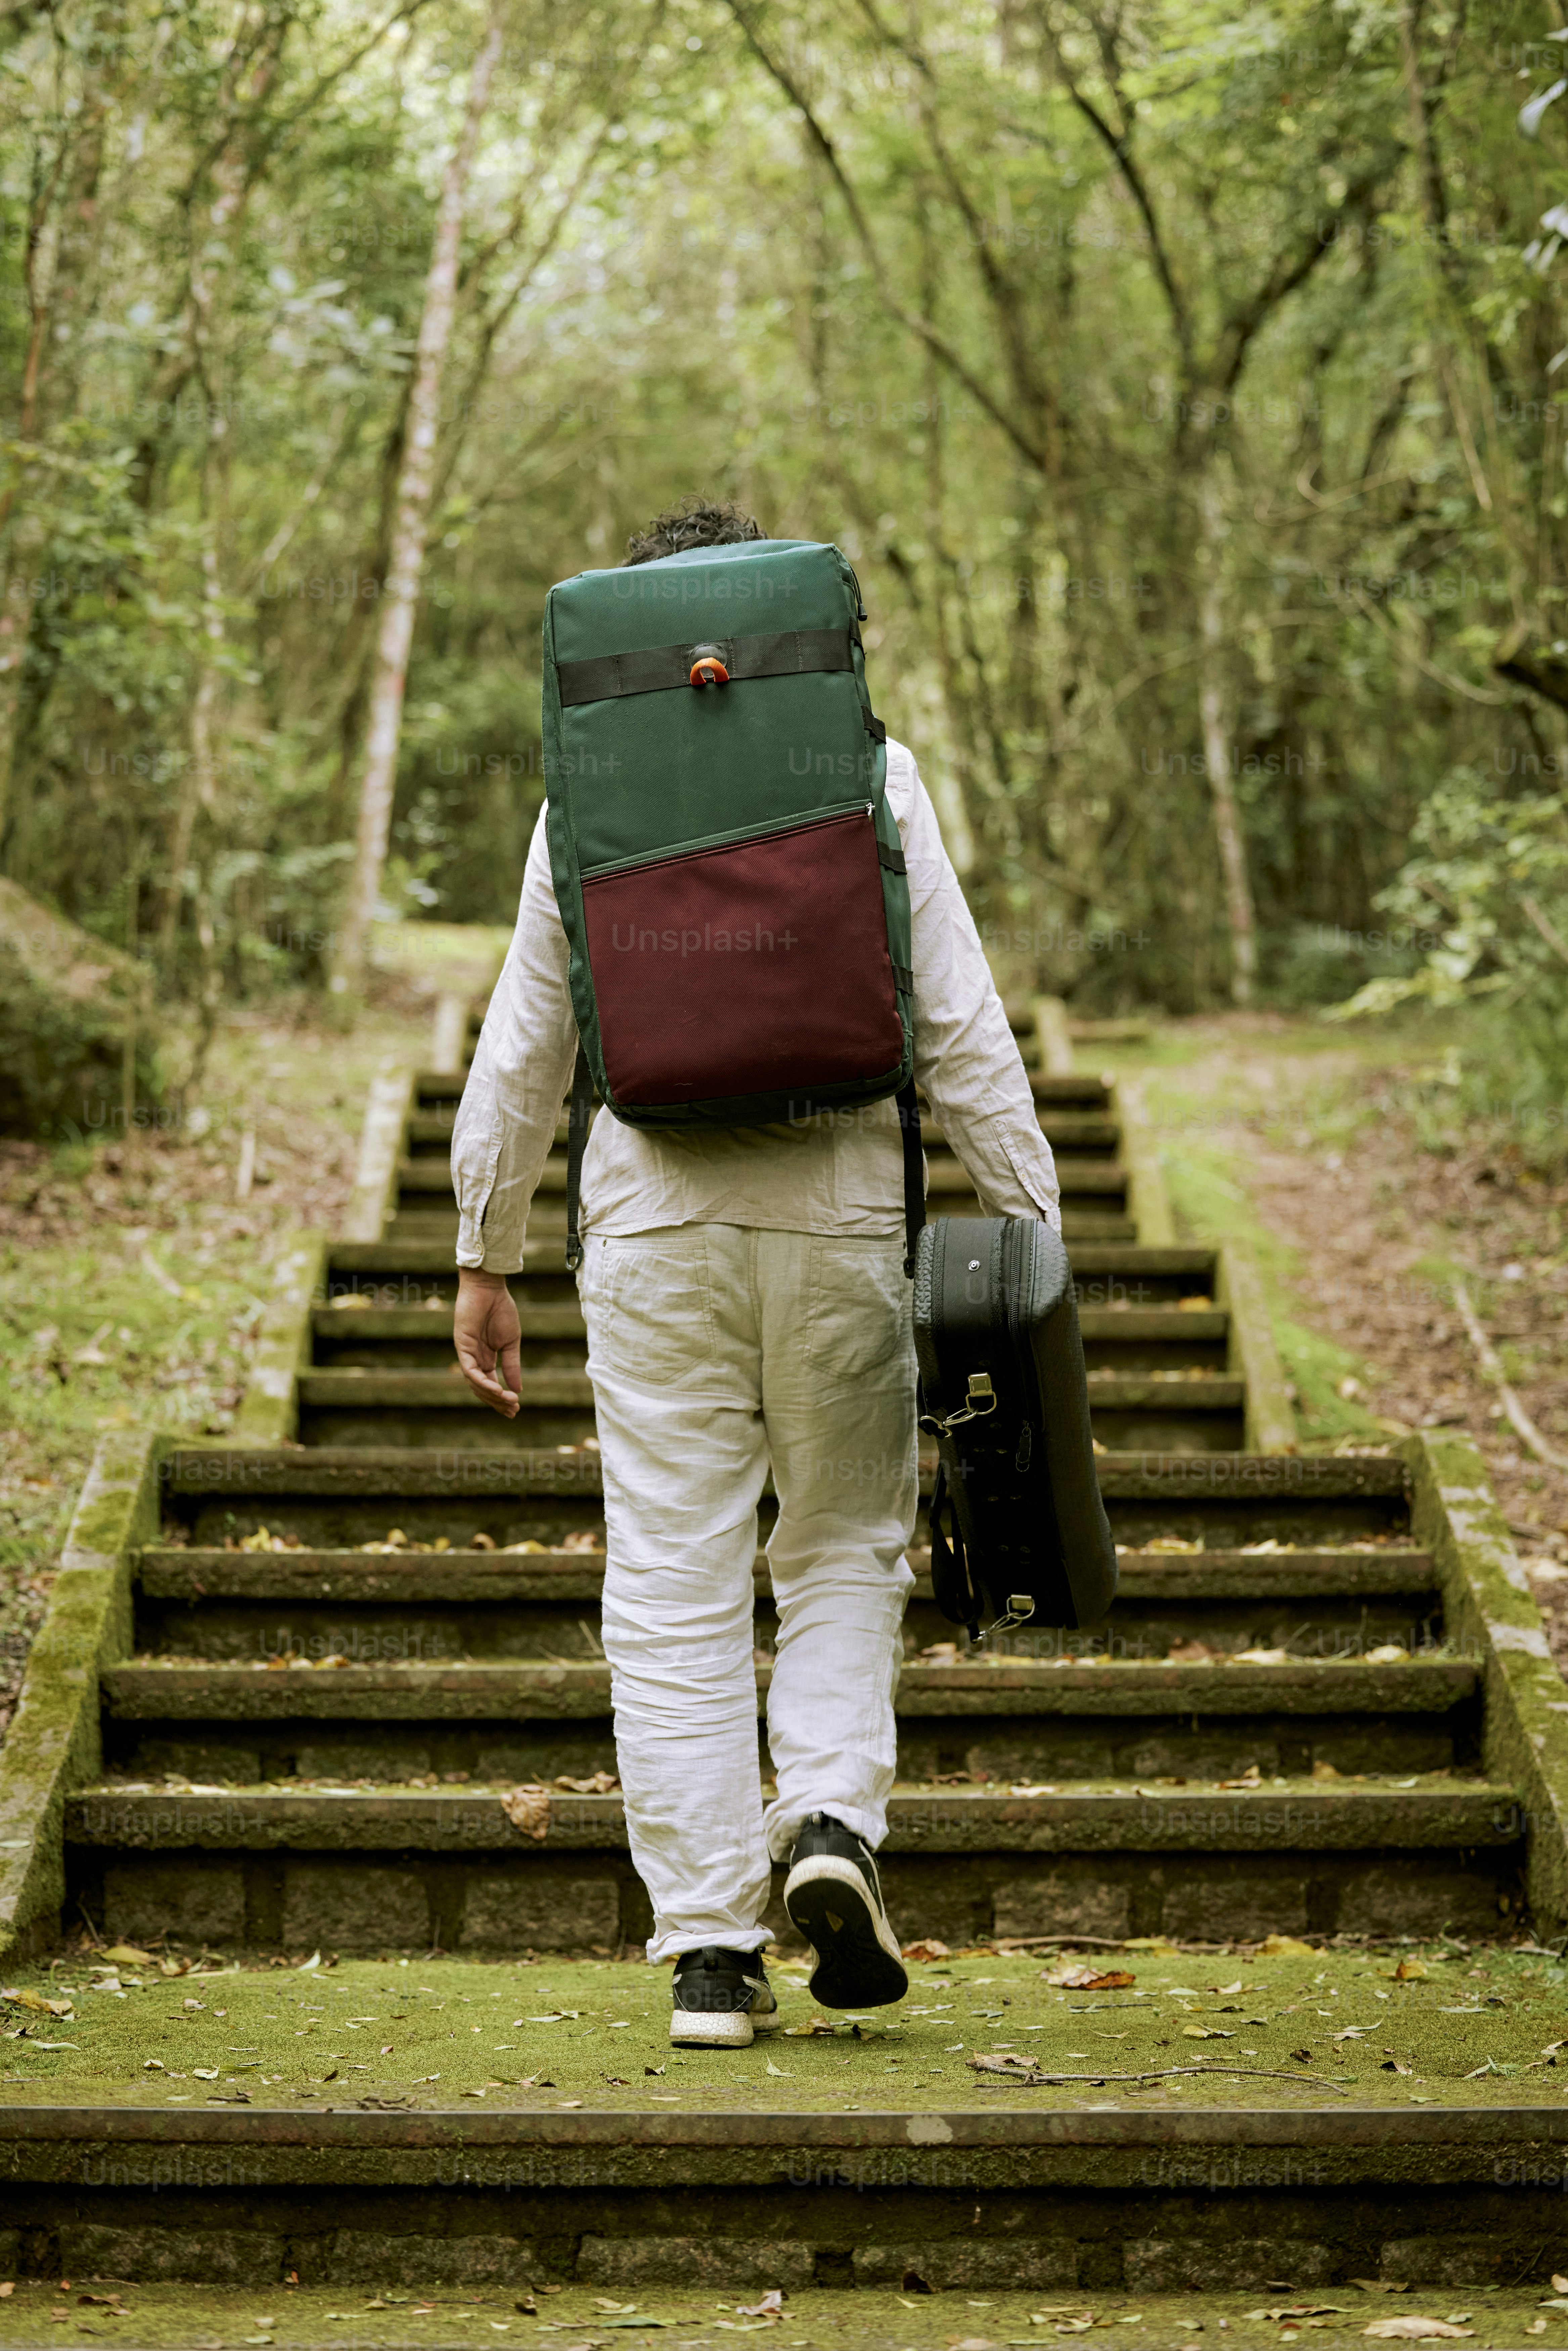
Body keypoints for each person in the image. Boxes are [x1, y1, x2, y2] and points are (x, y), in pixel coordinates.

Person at [451, 496, 1059, 2049]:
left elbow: (524, 1047)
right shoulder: (870, 771)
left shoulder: (584, 789)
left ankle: (712, 1957)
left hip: (653, 1225)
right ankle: (833, 1823)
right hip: (842, 1212)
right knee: (844, 1545)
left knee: (672, 1579)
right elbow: (960, 1027)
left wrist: (482, 1253)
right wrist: (1031, 1235)